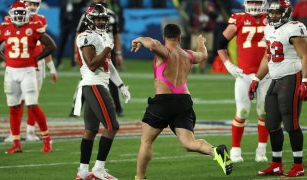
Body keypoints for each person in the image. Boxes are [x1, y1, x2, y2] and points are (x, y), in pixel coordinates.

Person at [131, 24, 233, 180]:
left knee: (146, 140)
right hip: (183, 102)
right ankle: (215, 152)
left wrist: (139, 39)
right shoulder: (188, 55)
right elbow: (203, 55)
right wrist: (201, 43)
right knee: (189, 143)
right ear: (179, 38)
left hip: (163, 102)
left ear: (164, 37)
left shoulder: (164, 52)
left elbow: (152, 44)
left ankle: (139, 178)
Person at [248, 0, 307, 177]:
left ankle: (298, 165)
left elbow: (305, 55)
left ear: (286, 12)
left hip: (291, 78)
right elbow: (268, 56)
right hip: (275, 80)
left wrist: (305, 80)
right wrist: (256, 78)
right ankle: (276, 164)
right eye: (272, 12)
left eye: (278, 12)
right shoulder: (268, 28)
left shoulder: (294, 27)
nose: (274, 15)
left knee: (291, 124)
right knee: (271, 124)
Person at [74, 4, 130, 180]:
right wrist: (107, 47)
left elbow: (109, 65)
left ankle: (83, 172)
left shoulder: (102, 36)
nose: (101, 22)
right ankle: (98, 169)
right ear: (90, 20)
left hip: (98, 85)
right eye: (98, 18)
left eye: (103, 19)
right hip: (93, 84)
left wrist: (121, 86)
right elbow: (92, 64)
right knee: (112, 126)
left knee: (91, 130)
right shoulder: (85, 36)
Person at [0, 1, 56, 153]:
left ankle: (47, 138)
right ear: (11, 14)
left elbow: (51, 46)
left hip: (28, 71)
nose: (20, 16)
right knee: (13, 107)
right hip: (11, 72)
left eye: (22, 13)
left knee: (32, 105)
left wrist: (37, 58)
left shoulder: (34, 25)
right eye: (17, 13)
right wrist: (5, 59)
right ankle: (16, 142)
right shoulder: (5, 27)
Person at [217, 0, 270, 163]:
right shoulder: (238, 19)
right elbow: (220, 43)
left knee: (264, 112)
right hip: (244, 75)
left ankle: (261, 150)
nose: (254, 5)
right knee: (242, 112)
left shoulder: (272, 18)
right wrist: (228, 64)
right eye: (252, 1)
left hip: (266, 74)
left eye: (258, 1)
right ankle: (235, 150)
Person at [72, 0, 125, 117]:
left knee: (110, 78)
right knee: (87, 79)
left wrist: (118, 52)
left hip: (108, 49)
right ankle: (76, 107)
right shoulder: (86, 16)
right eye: (98, 19)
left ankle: (118, 108)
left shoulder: (111, 15)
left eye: (103, 19)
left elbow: (116, 34)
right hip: (93, 50)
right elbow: (79, 33)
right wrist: (76, 52)